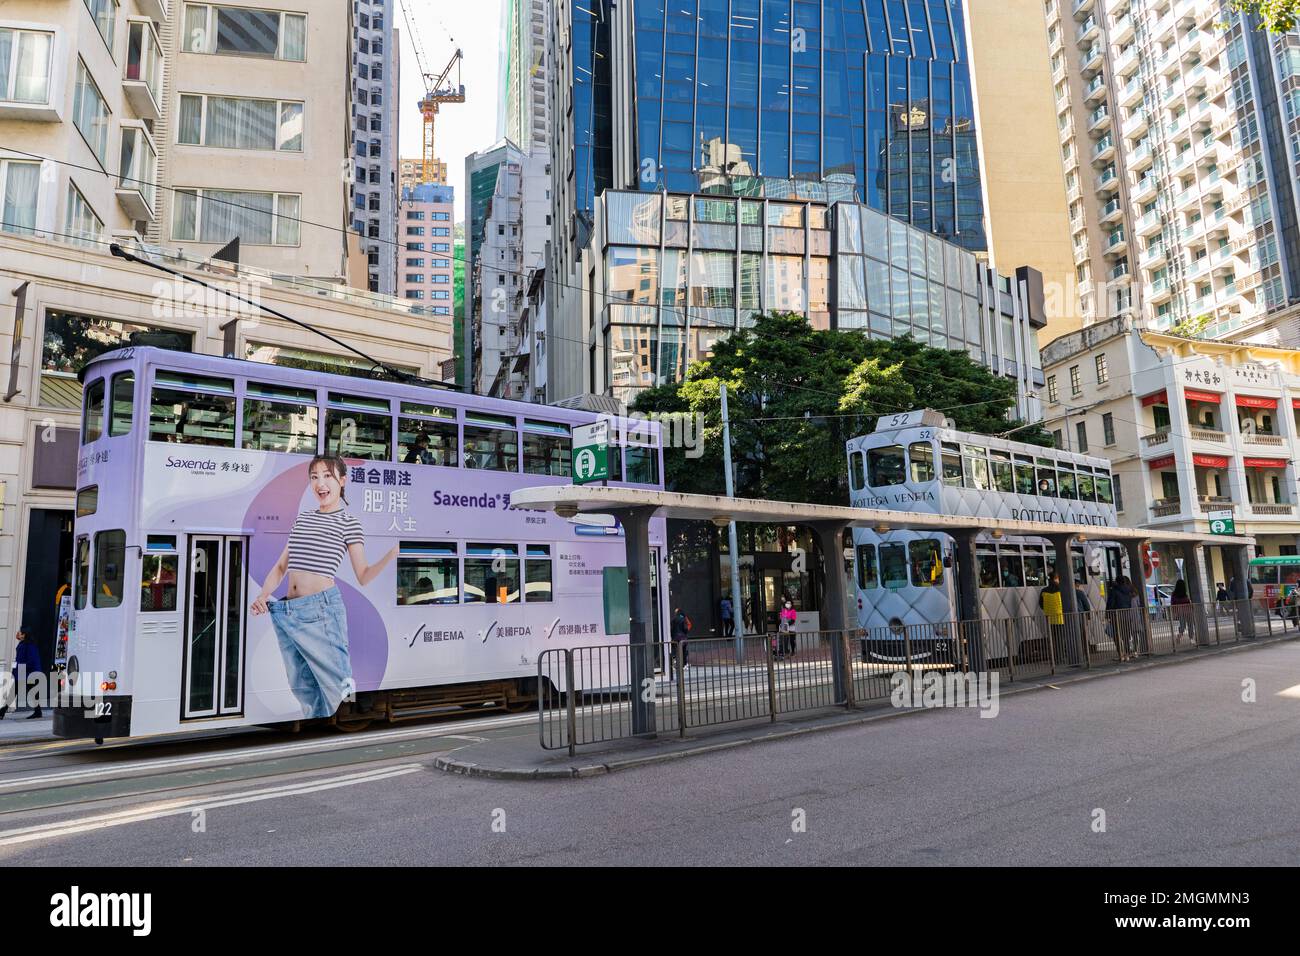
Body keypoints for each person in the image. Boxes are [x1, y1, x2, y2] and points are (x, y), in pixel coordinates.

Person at [252, 455, 398, 720]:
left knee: (338, 682)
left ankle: (351, 722)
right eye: (314, 477)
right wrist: (263, 595)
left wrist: (391, 555)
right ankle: (320, 734)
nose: (320, 483)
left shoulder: (349, 523)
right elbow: (282, 566)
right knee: (303, 687)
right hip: (287, 610)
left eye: (327, 476)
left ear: (342, 481)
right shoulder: (303, 519)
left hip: (321, 609)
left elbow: (363, 575)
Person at [3, 627, 43, 719]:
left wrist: (17, 667)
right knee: (16, 691)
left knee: (19, 692)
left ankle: (2, 711)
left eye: (19, 632)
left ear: (24, 634)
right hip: (23, 671)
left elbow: (32, 661)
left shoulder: (30, 646)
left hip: (30, 673)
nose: (17, 634)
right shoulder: (23, 644)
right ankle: (38, 712)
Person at [1170, 578, 1193, 643]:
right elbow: (1188, 602)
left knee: (1184, 625)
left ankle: (1182, 636)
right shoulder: (1185, 594)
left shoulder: (1175, 594)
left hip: (1181, 612)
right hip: (1187, 611)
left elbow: (1172, 603)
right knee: (1188, 625)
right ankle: (1189, 638)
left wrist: (1174, 612)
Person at [670, 607, 692, 674]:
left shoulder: (673, 620)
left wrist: (672, 636)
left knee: (675, 651)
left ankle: (674, 665)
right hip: (682, 638)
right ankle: (684, 664)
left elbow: (672, 629)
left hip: (675, 638)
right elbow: (685, 629)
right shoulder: (683, 619)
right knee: (683, 651)